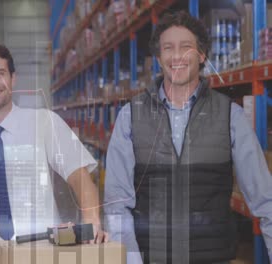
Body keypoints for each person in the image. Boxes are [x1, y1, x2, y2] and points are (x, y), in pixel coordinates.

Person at [104, 10, 272, 264]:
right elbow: (117, 203)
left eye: (186, 47)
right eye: (168, 48)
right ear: (159, 58)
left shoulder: (230, 116)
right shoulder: (131, 116)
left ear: (202, 55)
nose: (177, 56)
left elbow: (266, 200)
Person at [0, 42, 108, 263]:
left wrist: (92, 221)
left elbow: (80, 177)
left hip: (42, 252)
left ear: (13, 79)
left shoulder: (45, 123)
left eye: (0, 73)